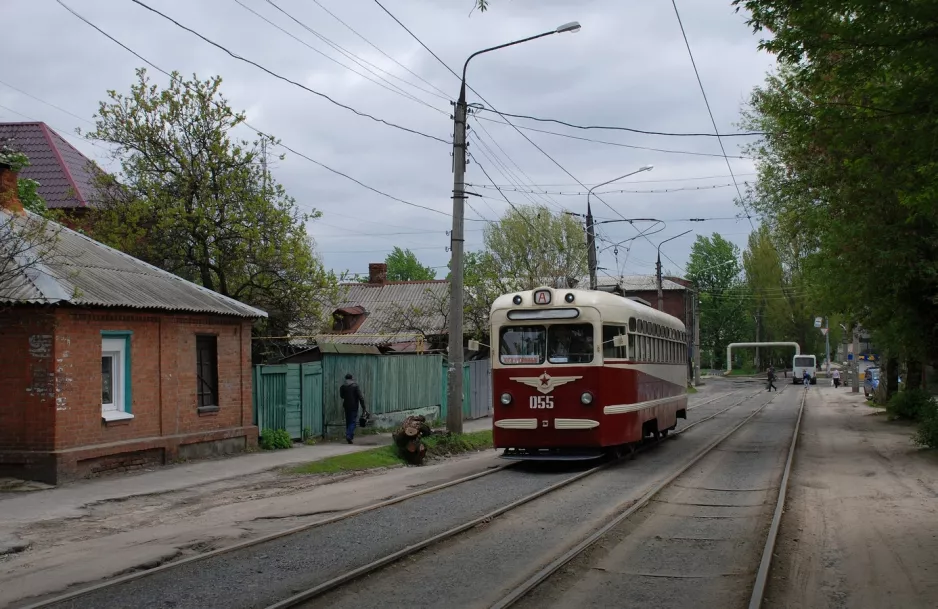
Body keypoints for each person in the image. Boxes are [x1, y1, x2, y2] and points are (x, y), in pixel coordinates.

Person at [339, 373, 367, 444]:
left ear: (345, 379)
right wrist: (364, 407)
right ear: (352, 378)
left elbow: (342, 396)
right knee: (353, 422)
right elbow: (361, 398)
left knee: (348, 422)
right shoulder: (355, 386)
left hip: (346, 406)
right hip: (354, 407)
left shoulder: (342, 386)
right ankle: (349, 435)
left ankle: (350, 437)